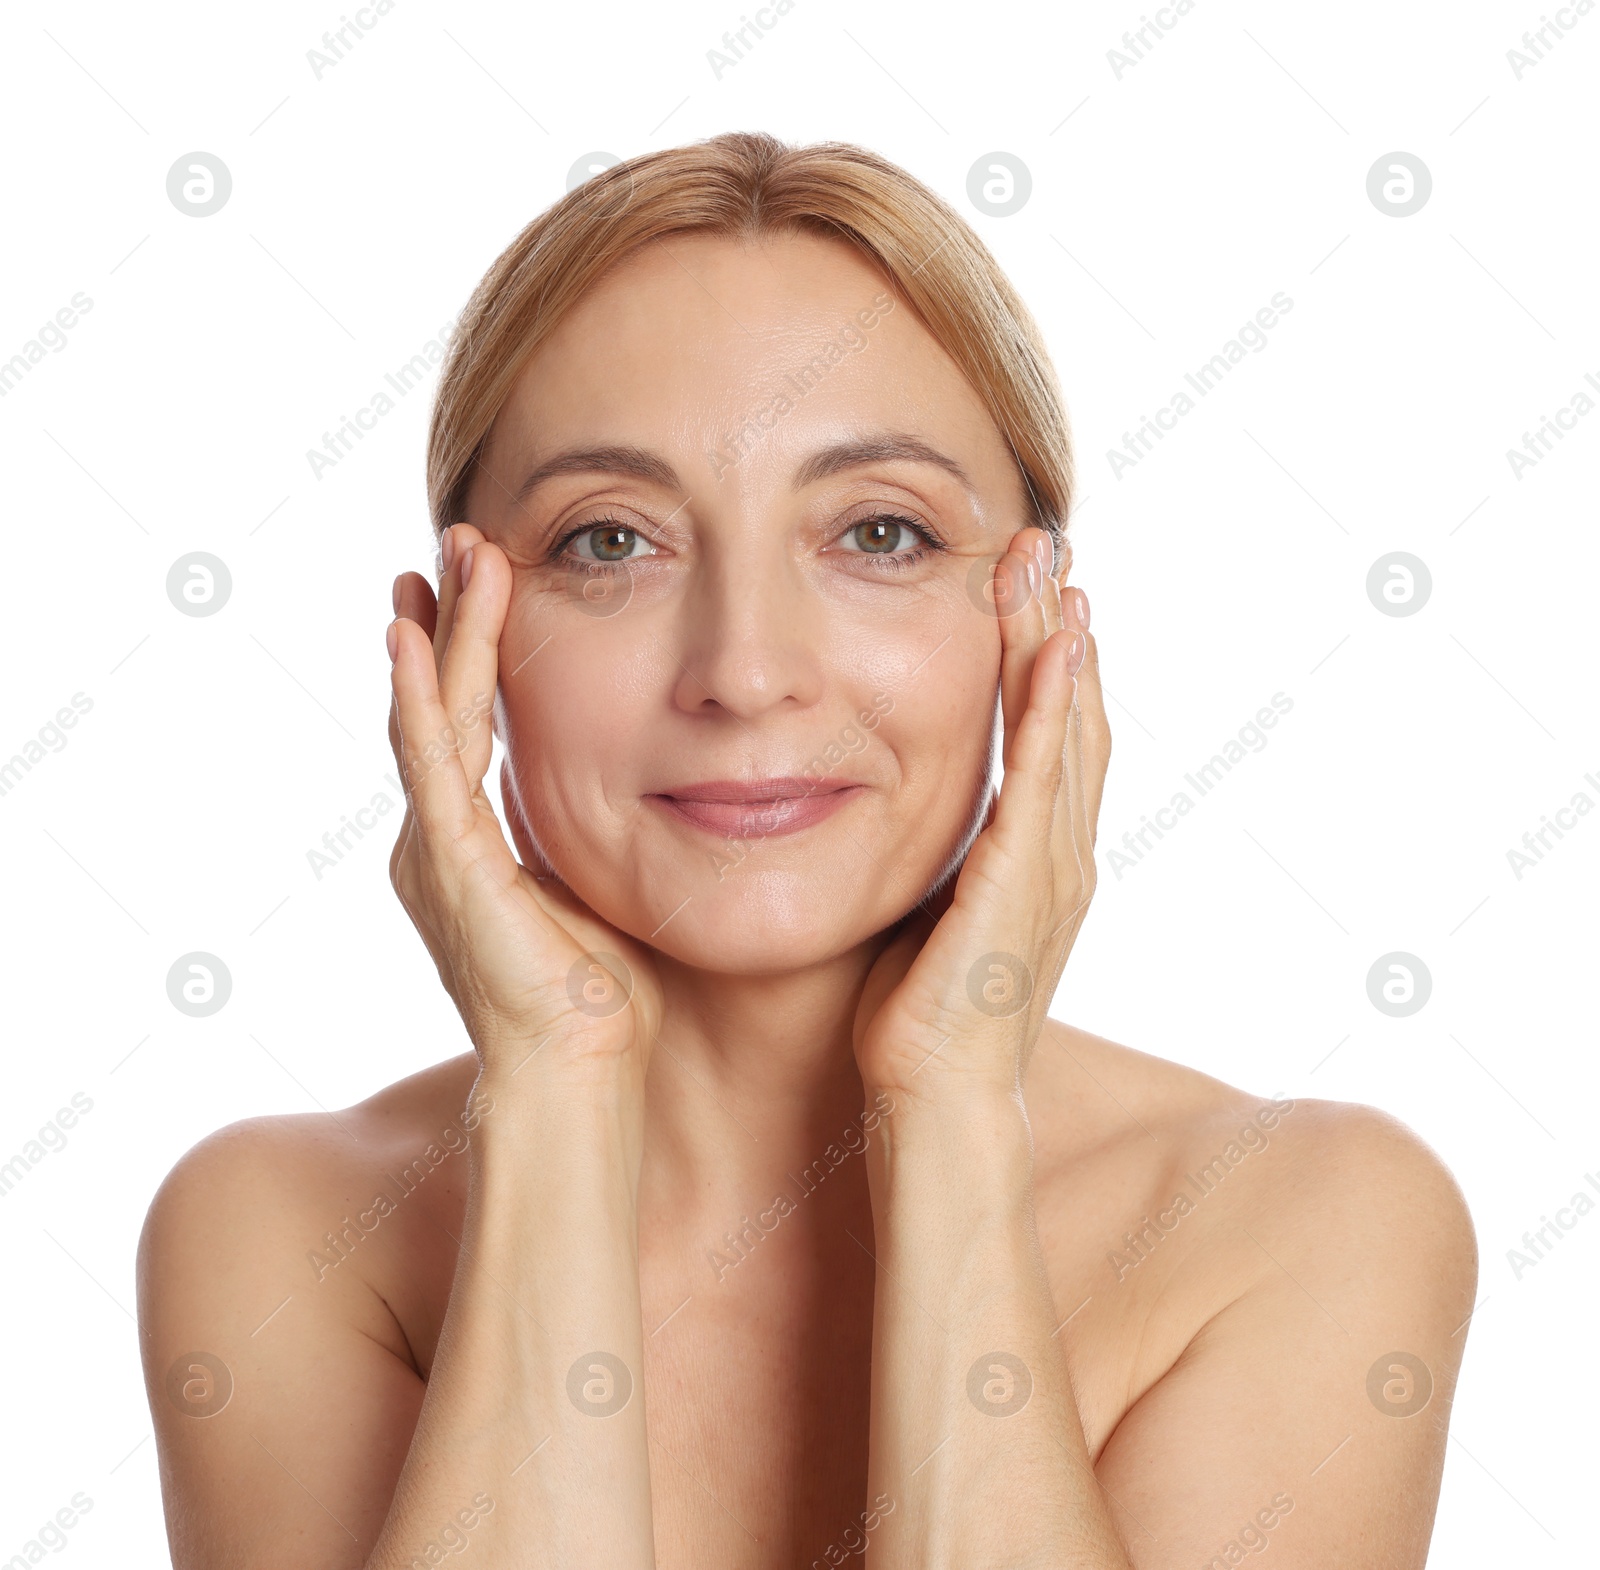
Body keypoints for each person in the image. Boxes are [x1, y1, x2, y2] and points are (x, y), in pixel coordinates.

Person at [137, 131, 1476, 1570]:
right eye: (610, 544)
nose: (747, 669)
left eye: (881, 530)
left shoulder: (1304, 1225)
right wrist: (556, 1089)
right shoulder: (281, 1242)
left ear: (1038, 627)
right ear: (460, 641)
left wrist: (955, 1102)